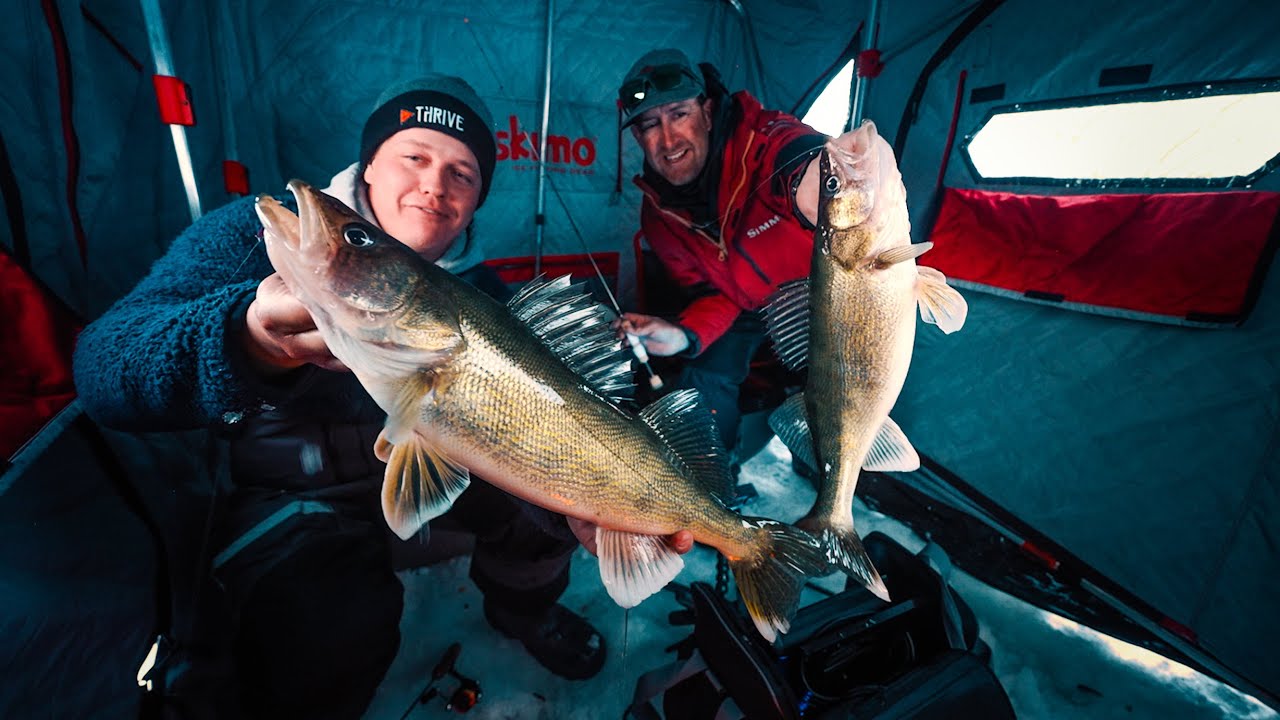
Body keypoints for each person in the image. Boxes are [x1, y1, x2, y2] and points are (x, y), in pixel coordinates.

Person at [74, 74, 688, 719]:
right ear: (369, 164)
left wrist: (568, 506)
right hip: (300, 490)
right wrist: (248, 338)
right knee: (332, 634)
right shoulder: (263, 241)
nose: (434, 186)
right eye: (414, 157)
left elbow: (517, 436)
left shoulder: (484, 300)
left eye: (463, 173)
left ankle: (522, 613)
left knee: (550, 521)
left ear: (478, 201)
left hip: (431, 466)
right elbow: (104, 373)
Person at [613, 48, 827, 465]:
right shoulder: (658, 214)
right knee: (701, 382)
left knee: (839, 405)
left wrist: (819, 174)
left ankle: (831, 487)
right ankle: (710, 489)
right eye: (650, 125)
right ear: (638, 138)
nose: (669, 140)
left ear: (707, 113)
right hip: (745, 306)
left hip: (820, 301)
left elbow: (799, 156)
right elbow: (714, 293)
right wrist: (682, 335)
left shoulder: (761, 144)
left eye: (679, 114)